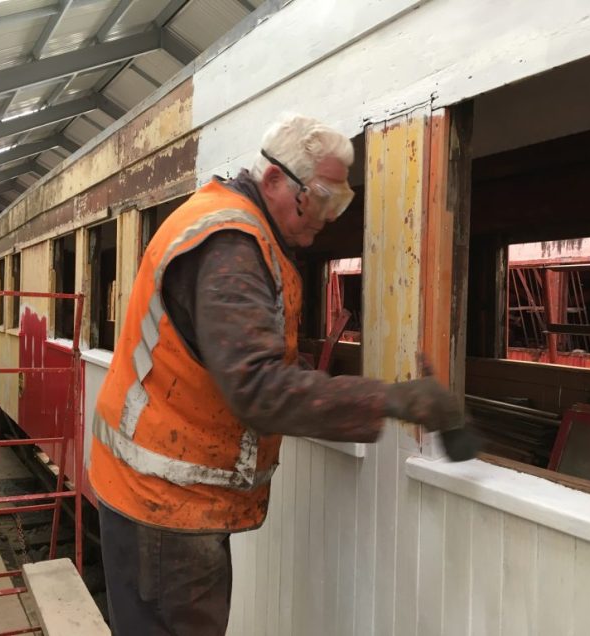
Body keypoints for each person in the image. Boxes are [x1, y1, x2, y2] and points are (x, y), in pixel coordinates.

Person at [88, 113, 465, 635]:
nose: (327, 217)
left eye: (340, 202)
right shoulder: (232, 247)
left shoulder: (235, 225)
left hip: (161, 499)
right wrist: (394, 400)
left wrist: (310, 374)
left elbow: (227, 358)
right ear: (272, 180)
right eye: (319, 199)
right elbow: (257, 389)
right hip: (164, 506)